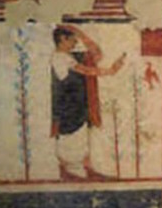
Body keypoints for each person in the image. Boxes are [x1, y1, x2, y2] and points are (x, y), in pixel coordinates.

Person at [50, 25, 125, 181]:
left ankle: (82, 169)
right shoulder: (60, 58)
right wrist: (111, 71)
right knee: (72, 140)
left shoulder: (70, 56)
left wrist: (80, 33)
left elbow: (96, 53)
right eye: (73, 40)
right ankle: (71, 171)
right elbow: (86, 70)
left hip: (78, 106)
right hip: (68, 108)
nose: (75, 43)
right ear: (63, 39)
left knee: (83, 138)